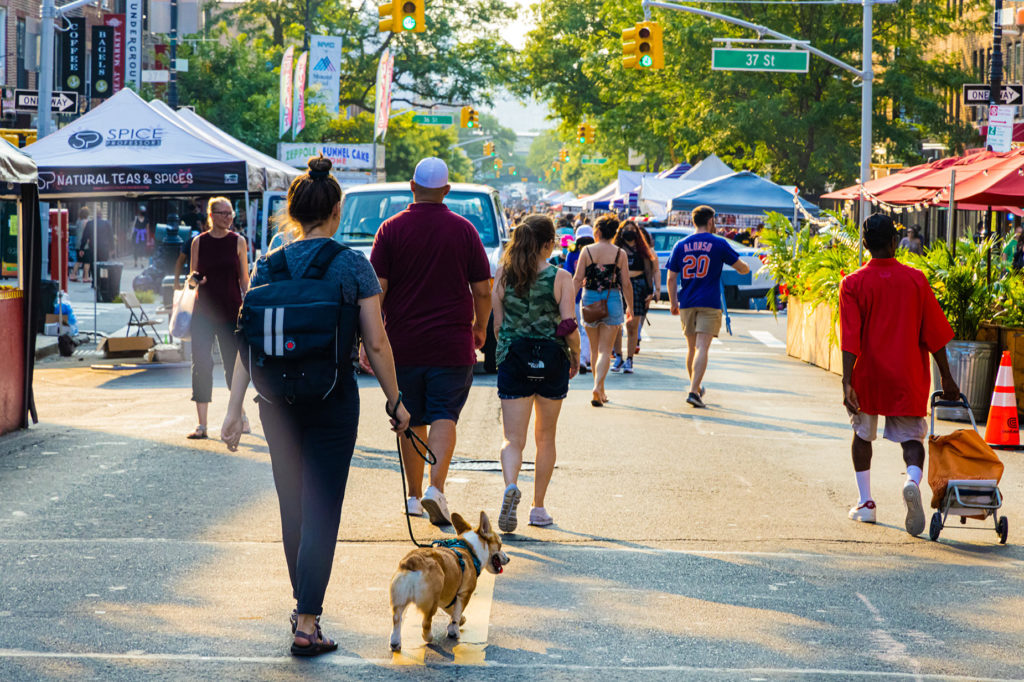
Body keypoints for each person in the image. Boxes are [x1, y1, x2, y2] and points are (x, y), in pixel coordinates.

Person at [221, 155, 411, 657]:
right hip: (332, 399)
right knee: (322, 507)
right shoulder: (352, 265)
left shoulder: (268, 264)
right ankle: (308, 621)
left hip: (275, 402)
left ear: (293, 210)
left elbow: (248, 341)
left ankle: (302, 606)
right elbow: (377, 344)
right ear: (337, 212)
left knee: (294, 508)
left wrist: (233, 408)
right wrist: (396, 402)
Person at [370, 157, 492, 526]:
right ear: (447, 191)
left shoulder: (389, 230)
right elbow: (483, 289)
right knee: (444, 413)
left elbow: (378, 291)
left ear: (411, 186)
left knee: (410, 417)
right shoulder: (465, 230)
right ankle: (436, 489)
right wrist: (481, 327)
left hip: (402, 344)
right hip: (452, 344)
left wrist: (371, 337)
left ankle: (412, 494)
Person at [840, 213, 959, 536]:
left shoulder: (852, 283)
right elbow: (934, 333)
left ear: (865, 245)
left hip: (868, 377)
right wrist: (946, 377)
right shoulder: (916, 279)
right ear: (895, 242)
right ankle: (911, 480)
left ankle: (866, 504)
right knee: (911, 438)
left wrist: (846, 380)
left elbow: (850, 336)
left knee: (863, 434)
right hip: (907, 375)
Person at [493, 214, 580, 532]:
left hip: (515, 357)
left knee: (512, 438)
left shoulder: (503, 274)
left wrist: (502, 355)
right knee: (545, 438)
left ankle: (510, 485)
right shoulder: (560, 276)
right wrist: (575, 356)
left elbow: (498, 324)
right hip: (551, 358)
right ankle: (538, 508)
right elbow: (568, 325)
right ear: (547, 243)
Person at [667, 205, 750, 408]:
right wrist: (745, 267)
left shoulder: (680, 244)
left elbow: (671, 277)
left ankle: (695, 387)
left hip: (687, 301)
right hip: (710, 301)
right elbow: (741, 268)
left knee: (691, 348)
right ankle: (694, 391)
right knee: (702, 347)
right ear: (711, 221)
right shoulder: (718, 243)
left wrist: (673, 302)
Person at [186, 197, 249, 440]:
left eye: (230, 213)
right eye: (223, 214)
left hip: (231, 311)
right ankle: (202, 425)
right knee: (201, 365)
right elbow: (191, 279)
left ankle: (240, 416)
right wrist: (195, 280)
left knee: (234, 366)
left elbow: (244, 279)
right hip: (203, 313)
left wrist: (249, 302)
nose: (228, 218)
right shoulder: (198, 242)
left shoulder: (238, 241)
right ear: (211, 216)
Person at [572, 214, 632, 407]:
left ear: (597, 232)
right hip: (612, 299)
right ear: (614, 233)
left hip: (589, 298)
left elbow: (576, 279)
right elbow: (626, 284)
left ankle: (599, 388)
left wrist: (567, 303)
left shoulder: (587, 251)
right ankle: (599, 388)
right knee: (606, 350)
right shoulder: (619, 253)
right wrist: (630, 306)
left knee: (594, 349)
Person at [610, 220, 660, 374]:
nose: (629, 232)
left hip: (638, 287)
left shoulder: (643, 250)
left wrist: (653, 290)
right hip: (618, 287)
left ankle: (629, 359)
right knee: (616, 325)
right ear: (620, 231)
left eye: (633, 229)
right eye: (627, 229)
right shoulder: (615, 249)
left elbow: (652, 270)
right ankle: (618, 356)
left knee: (632, 325)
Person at [563, 225, 594, 373]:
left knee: (581, 328)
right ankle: (584, 358)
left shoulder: (572, 254)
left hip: (578, 295)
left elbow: (569, 275)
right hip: (589, 295)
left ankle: (583, 357)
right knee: (586, 328)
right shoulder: (594, 253)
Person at [78, 209, 114, 287]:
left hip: (93, 247)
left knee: (93, 265)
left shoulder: (90, 224)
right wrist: (112, 248)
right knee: (103, 265)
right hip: (104, 248)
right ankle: (103, 281)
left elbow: (85, 237)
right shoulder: (107, 224)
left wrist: (81, 248)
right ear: (101, 215)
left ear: (94, 215)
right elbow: (111, 237)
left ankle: (95, 281)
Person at [70, 206, 90, 282]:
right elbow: (87, 233)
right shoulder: (86, 222)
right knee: (87, 261)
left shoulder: (78, 221)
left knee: (78, 260)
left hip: (77, 243)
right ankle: (86, 277)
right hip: (84, 244)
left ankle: (73, 275)